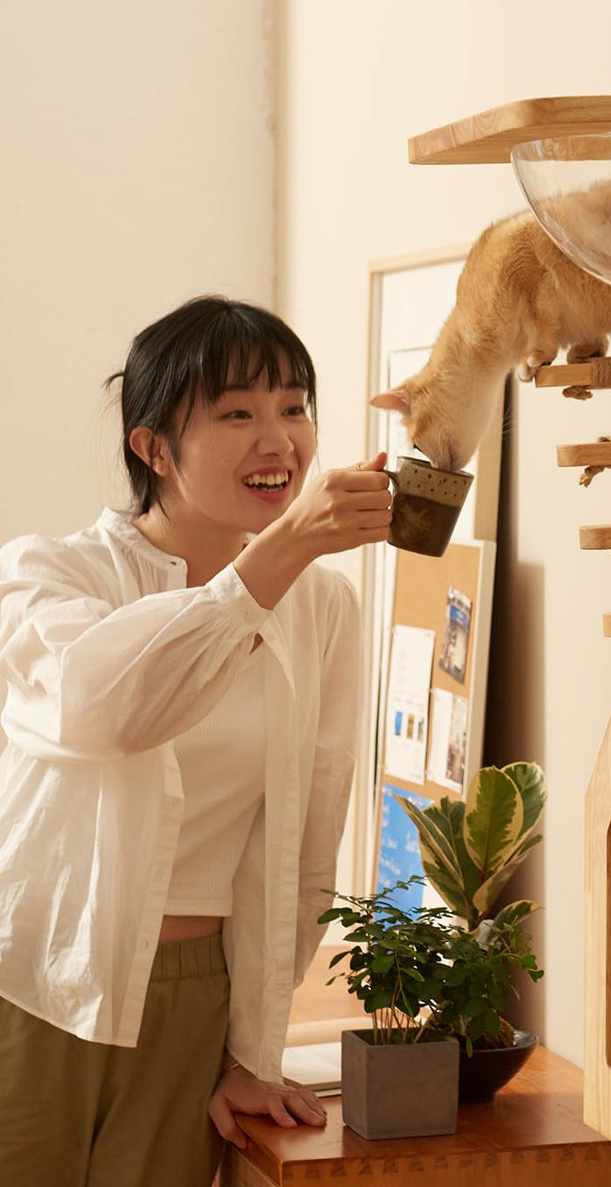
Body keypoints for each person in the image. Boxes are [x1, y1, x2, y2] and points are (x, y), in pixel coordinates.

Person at [0, 296, 392, 1185]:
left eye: (294, 407)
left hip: (192, 996)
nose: (278, 440)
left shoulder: (322, 606)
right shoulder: (51, 574)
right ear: (154, 448)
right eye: (237, 413)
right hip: (30, 976)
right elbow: (109, 712)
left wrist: (253, 1050)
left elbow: (304, 836)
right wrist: (276, 557)